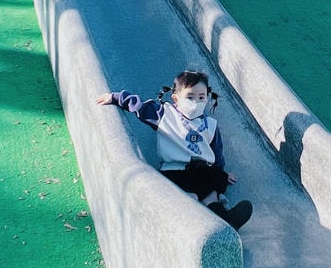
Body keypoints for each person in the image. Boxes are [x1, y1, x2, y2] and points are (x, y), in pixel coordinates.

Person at [96, 70, 253, 231]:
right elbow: (140, 107)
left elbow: (216, 151)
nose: (196, 102)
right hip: (174, 170)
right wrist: (116, 97)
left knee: (211, 192)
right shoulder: (165, 115)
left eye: (201, 97)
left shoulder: (210, 125)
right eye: (190, 97)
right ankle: (195, 223)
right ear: (176, 99)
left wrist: (222, 172)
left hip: (201, 171)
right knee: (186, 197)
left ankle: (227, 222)